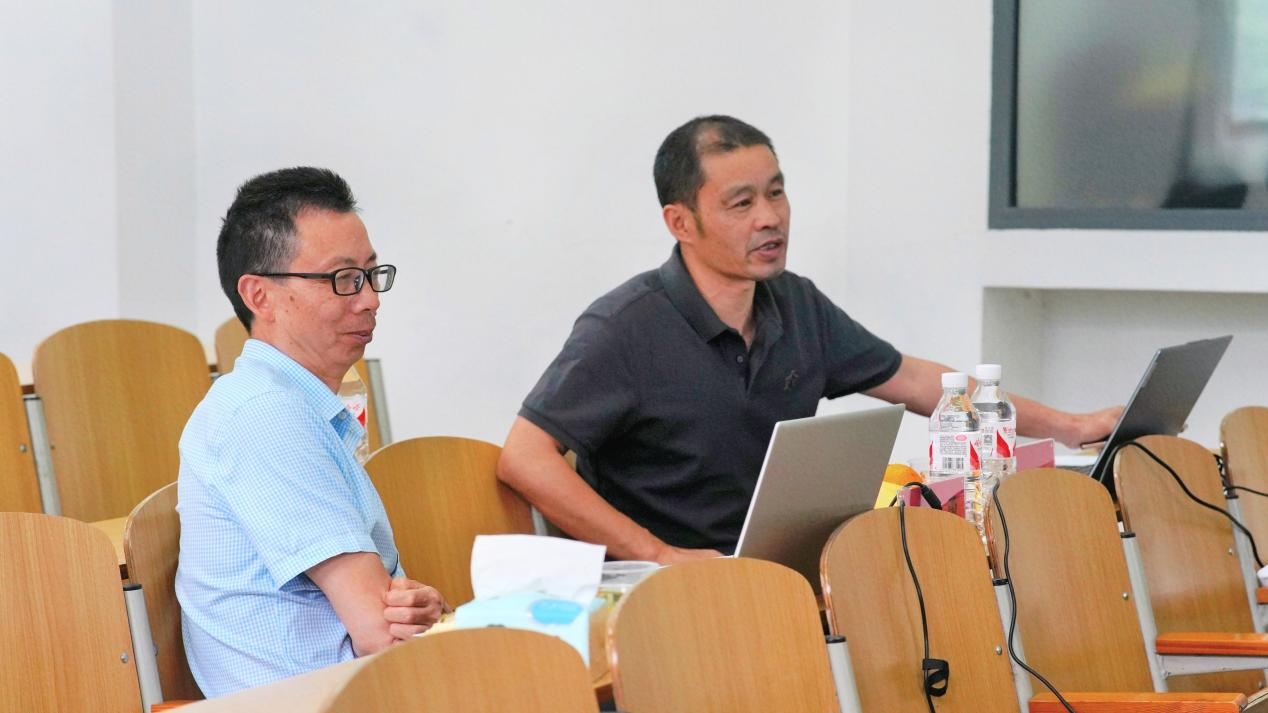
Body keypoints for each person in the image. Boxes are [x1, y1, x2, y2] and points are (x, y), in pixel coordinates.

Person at [497, 115, 1121, 564]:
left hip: (786, 573)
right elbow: (525, 457)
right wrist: (660, 555)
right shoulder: (625, 327)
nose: (770, 217)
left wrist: (1071, 426)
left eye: (776, 192)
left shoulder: (795, 303)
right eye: (741, 203)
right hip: (671, 592)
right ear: (680, 222)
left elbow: (915, 381)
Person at [176, 167, 445, 697]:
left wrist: (424, 609)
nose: (370, 299)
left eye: (371, 274)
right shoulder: (263, 415)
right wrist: (410, 618)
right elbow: (382, 634)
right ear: (260, 296)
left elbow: (395, 622)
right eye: (343, 279)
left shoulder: (292, 406)